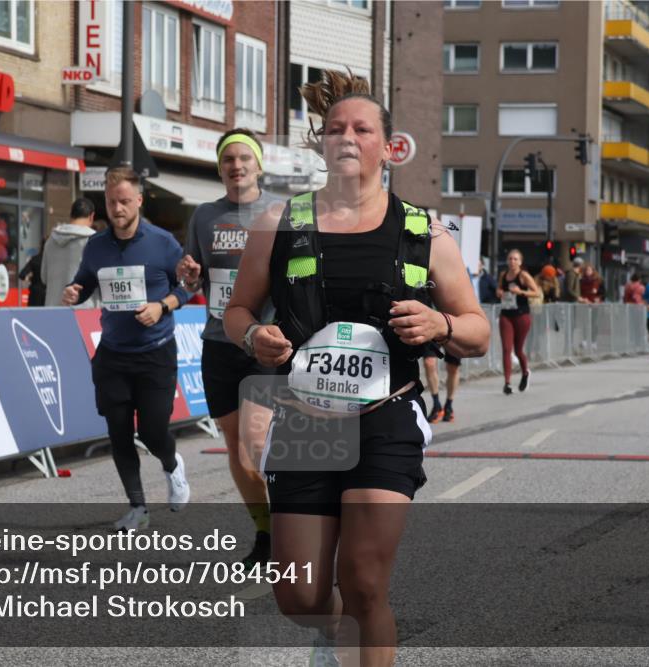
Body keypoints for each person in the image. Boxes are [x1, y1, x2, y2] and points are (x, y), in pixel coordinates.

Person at [223, 70, 489, 666]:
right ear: (321, 142)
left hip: (385, 417)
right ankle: (337, 630)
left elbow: (477, 329)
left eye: (363, 128)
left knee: (367, 583)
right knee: (299, 597)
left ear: (388, 147)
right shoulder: (277, 223)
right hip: (305, 422)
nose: (348, 137)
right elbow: (236, 311)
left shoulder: (426, 231)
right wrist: (254, 337)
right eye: (336, 128)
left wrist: (441, 326)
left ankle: (365, 635)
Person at [176, 128, 284, 569]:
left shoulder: (280, 213)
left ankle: (293, 524)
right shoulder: (204, 215)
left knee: (256, 443)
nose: (236, 166)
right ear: (220, 167)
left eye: (244, 158)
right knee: (236, 444)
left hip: (264, 342)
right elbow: (194, 277)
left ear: (258, 164)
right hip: (219, 343)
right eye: (228, 160)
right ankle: (266, 534)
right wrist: (188, 276)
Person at [62, 167, 191, 531]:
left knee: (152, 431)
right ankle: (138, 507)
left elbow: (185, 289)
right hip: (113, 355)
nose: (116, 208)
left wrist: (161, 306)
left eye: (123, 201)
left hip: (155, 353)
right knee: (118, 433)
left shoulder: (163, 242)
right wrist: (75, 292)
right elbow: (85, 282)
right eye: (110, 201)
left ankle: (171, 464)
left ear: (138, 200)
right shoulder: (96, 245)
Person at [496, 249, 541, 394]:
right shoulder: (503, 275)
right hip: (506, 314)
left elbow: (536, 292)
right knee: (506, 349)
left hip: (521, 315)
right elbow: (499, 290)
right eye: (510, 259)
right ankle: (507, 383)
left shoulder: (523, 276)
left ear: (520, 262)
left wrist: (521, 292)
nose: (512, 261)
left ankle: (525, 373)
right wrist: (499, 293)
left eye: (515, 259)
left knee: (518, 350)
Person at [42, 198, 99, 307]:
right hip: (84, 312)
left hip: (53, 310)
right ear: (92, 216)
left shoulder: (50, 241)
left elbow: (44, 277)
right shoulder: (94, 241)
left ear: (71, 215)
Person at [423, 351, 460, 423]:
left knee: (453, 367)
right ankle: (437, 405)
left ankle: (448, 406)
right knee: (429, 363)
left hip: (453, 339)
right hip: (432, 339)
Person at [18, 242, 46, 307]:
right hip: (47, 295)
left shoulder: (35, 259)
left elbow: (22, 275)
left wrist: (31, 278)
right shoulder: (52, 261)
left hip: (34, 294)